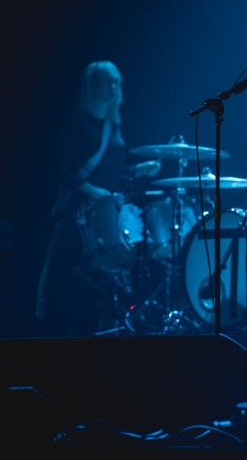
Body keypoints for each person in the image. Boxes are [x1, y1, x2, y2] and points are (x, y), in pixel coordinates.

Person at [35, 60, 160, 335]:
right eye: (107, 82)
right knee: (74, 287)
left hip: (104, 216)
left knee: (101, 288)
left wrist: (137, 169)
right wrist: (89, 189)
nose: (113, 88)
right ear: (92, 86)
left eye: (117, 83)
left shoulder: (111, 125)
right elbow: (55, 166)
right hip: (77, 215)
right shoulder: (76, 120)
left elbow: (111, 172)